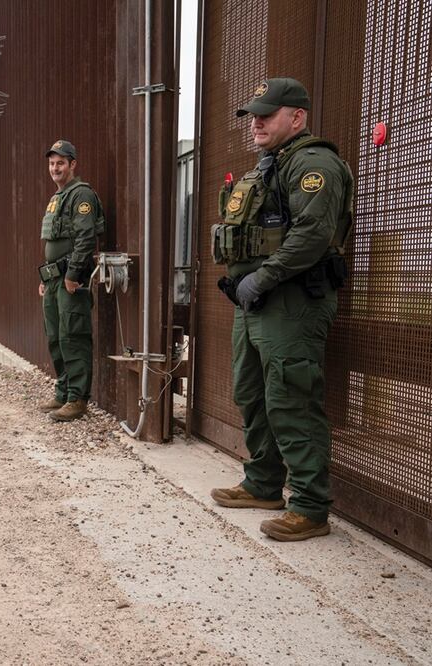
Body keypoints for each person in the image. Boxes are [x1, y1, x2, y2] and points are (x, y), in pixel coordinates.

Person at [209, 77, 353, 542]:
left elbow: (311, 235)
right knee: (251, 393)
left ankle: (310, 507)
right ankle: (263, 484)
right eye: (254, 115)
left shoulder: (314, 164)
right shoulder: (270, 166)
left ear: (297, 117)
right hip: (257, 302)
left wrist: (262, 278)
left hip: (292, 301)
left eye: (267, 115)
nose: (257, 123)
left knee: (292, 398)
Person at [37, 139, 104, 422]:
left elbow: (86, 237)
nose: (55, 168)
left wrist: (73, 274)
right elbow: (54, 241)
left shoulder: (81, 195)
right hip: (54, 279)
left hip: (70, 280)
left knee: (72, 337)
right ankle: (63, 392)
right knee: (56, 337)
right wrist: (46, 277)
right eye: (52, 164)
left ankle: (77, 399)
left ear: (72, 164)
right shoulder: (57, 197)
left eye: (60, 163)